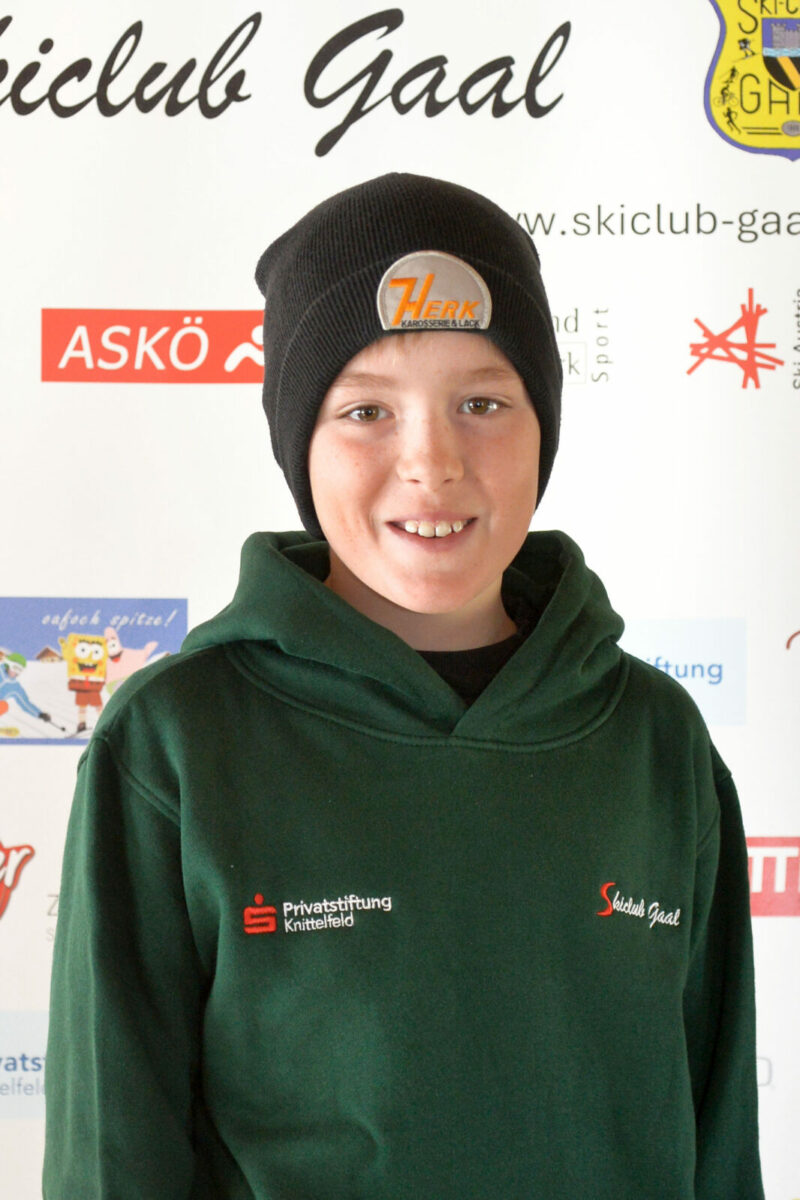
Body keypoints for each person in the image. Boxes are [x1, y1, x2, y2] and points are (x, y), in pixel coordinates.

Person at [43, 173, 763, 1199]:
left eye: (482, 403)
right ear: (297, 440)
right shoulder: (176, 741)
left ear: (543, 424)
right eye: (366, 410)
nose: (431, 462)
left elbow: (720, 1145)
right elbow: (109, 1162)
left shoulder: (656, 741)